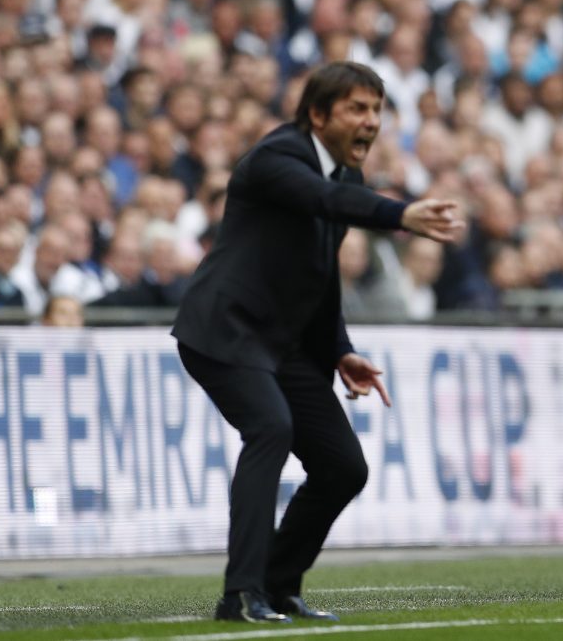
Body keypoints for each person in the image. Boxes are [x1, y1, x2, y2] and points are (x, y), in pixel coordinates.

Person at [171, 61, 462, 624]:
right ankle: (241, 594)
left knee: (341, 467)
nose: (371, 122)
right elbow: (326, 202)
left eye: (377, 110)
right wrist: (401, 213)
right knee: (270, 429)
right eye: (358, 108)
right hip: (225, 330)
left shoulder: (346, 178)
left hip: (284, 346)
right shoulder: (276, 159)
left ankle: (278, 586)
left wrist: (338, 350)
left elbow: (321, 273)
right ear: (318, 114)